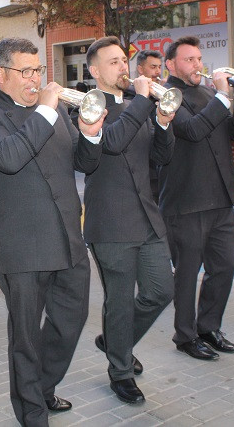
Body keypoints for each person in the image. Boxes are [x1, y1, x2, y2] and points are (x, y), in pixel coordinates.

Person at [0, 37, 105, 426]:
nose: (34, 78)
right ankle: (31, 413)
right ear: (0, 74)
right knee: (25, 337)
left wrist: (91, 132)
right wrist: (45, 110)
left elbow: (84, 162)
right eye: (25, 71)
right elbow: (9, 157)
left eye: (38, 70)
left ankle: (43, 387)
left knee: (70, 321)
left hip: (67, 240)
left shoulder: (55, 113)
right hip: (21, 245)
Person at [82, 37, 175, 404]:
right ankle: (120, 372)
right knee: (118, 301)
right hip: (111, 221)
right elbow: (113, 142)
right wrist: (142, 103)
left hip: (147, 218)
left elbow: (161, 158)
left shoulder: (140, 106)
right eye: (113, 62)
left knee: (160, 291)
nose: (123, 67)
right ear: (94, 71)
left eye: (124, 60)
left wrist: (164, 124)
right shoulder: (88, 107)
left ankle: (115, 341)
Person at [159, 36, 234, 361]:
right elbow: (193, 130)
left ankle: (209, 327)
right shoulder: (167, 95)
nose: (197, 65)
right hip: (187, 200)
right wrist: (224, 97)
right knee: (187, 272)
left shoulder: (212, 93)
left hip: (221, 197)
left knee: (224, 265)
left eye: (199, 58)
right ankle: (185, 335)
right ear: (171, 64)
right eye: (189, 60)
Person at [135, 49, 165, 202]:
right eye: (153, 67)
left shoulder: (161, 93)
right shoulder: (131, 96)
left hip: (163, 174)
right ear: (140, 69)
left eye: (160, 67)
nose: (158, 72)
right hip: (145, 174)